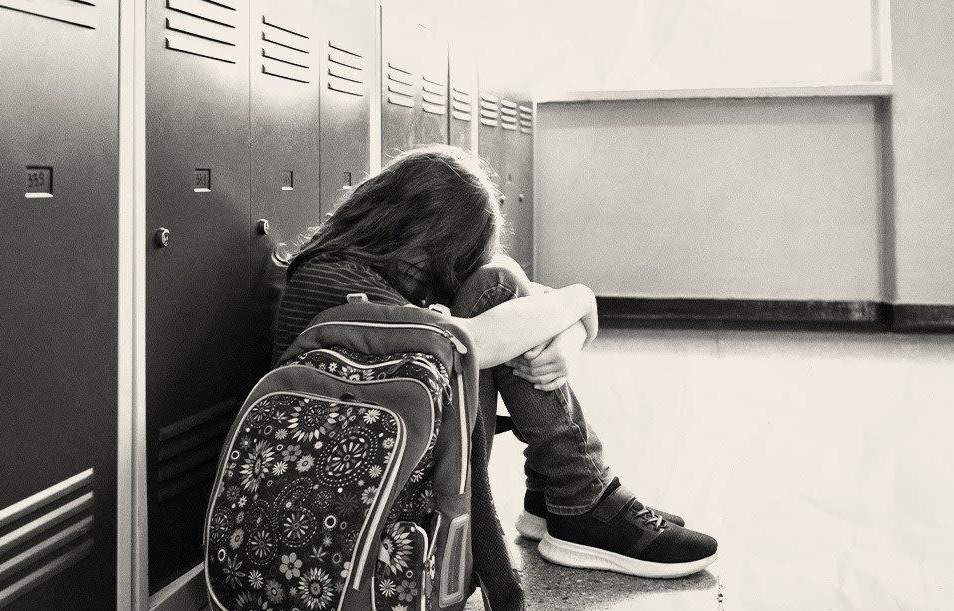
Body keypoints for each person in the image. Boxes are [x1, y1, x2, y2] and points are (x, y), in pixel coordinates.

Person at [272, 145, 717, 578]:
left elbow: (532, 302)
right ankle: (580, 497)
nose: (451, 273)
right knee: (495, 287)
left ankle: (559, 493)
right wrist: (580, 300)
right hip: (372, 495)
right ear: (420, 230)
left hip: (390, 472)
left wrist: (569, 337)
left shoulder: (372, 268)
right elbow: (475, 341)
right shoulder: (332, 280)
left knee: (498, 283)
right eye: (455, 255)